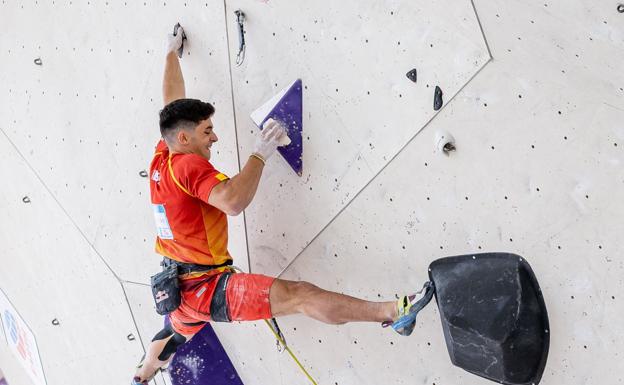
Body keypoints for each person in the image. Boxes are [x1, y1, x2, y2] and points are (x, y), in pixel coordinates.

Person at [132, 24, 424, 385]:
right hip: (208, 289)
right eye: (207, 132)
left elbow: (170, 102)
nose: (215, 137)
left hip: (181, 289)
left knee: (174, 335)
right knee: (298, 296)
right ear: (184, 137)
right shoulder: (188, 164)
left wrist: (170, 54)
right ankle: (394, 312)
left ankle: (142, 375)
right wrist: (260, 153)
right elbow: (234, 202)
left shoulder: (164, 155)